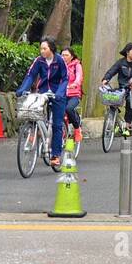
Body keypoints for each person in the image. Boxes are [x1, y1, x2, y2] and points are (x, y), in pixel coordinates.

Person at [16, 36, 68, 170]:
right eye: (41, 48)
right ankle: (41, 134)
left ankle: (56, 155)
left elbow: (65, 78)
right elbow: (31, 75)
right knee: (35, 114)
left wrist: (59, 93)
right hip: (43, 93)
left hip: (57, 94)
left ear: (51, 49)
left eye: (45, 48)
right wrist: (22, 90)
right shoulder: (39, 61)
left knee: (56, 125)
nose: (42, 51)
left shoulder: (60, 60)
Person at [101, 42, 132, 137]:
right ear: (127, 52)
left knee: (129, 101)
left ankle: (128, 124)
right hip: (123, 88)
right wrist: (105, 79)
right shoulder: (121, 62)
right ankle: (114, 121)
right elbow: (112, 71)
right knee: (112, 99)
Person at [61, 46, 84, 145]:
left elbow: (79, 76)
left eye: (66, 55)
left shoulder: (76, 65)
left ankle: (77, 128)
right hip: (61, 93)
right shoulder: (58, 66)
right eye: (62, 55)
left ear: (72, 56)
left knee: (69, 109)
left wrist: (75, 84)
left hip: (74, 94)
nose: (64, 57)